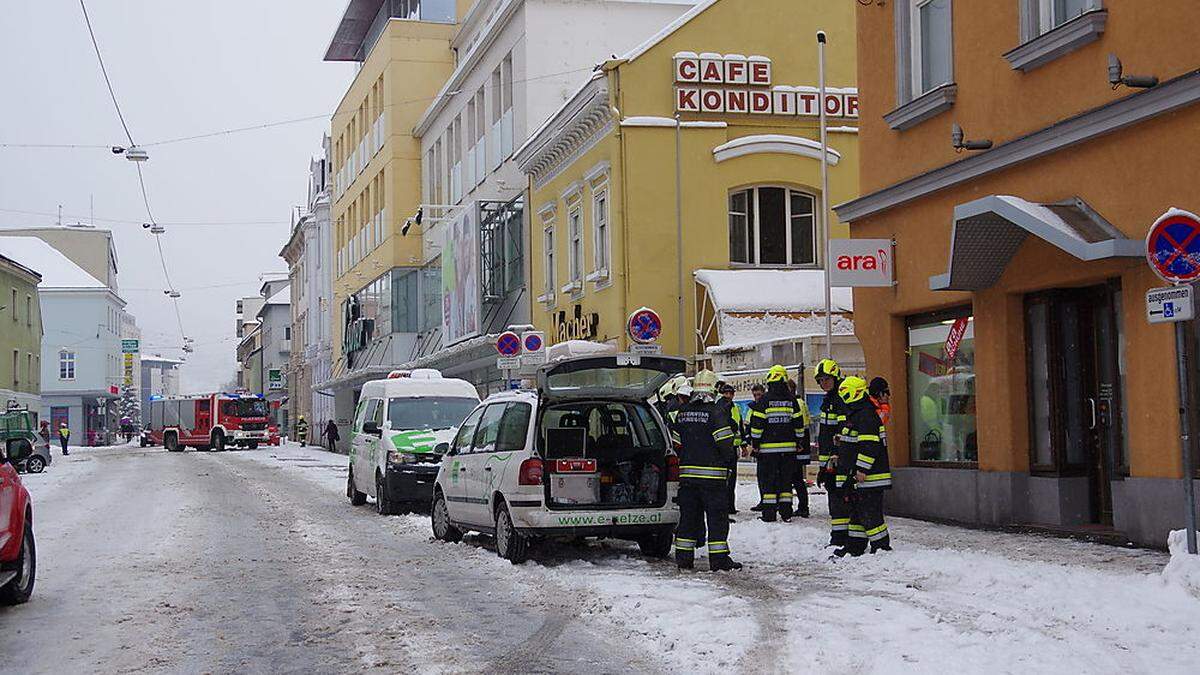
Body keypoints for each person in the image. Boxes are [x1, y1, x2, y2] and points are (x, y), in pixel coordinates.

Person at [671, 370, 741, 571]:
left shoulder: (683, 412)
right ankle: (719, 560)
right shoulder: (716, 412)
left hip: (688, 479)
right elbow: (726, 443)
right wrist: (725, 463)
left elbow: (676, 443)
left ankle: (684, 558)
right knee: (717, 519)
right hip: (712, 479)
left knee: (688, 518)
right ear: (713, 388)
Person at [833, 376, 892, 556]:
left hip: (870, 477)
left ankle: (881, 547)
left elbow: (870, 445)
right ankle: (855, 547)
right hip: (860, 476)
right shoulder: (859, 414)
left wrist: (861, 469)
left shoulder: (865, 415)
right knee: (858, 513)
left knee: (870, 514)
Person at [747, 365, 807, 523]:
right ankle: (786, 512)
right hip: (789, 451)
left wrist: (756, 443)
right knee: (786, 481)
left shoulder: (765, 400)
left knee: (769, 483)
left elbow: (757, 425)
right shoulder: (792, 400)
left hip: (768, 452)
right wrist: (799, 441)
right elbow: (799, 424)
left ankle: (769, 514)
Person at [814, 359, 849, 547]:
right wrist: (822, 466)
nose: (823, 383)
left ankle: (841, 538)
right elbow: (825, 437)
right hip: (830, 460)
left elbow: (842, 432)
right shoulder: (828, 400)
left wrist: (835, 455)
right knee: (835, 498)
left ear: (835, 377)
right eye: (820, 380)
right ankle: (838, 536)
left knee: (840, 499)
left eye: (826, 379)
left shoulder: (840, 399)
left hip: (839, 460)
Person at [787, 379, 813, 518]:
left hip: (798, 447)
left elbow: (800, 427)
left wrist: (798, 444)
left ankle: (803, 507)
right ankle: (802, 506)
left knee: (796, 479)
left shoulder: (797, 403)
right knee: (796, 479)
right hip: (799, 446)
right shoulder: (799, 402)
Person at [716, 383, 743, 517]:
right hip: (722, 448)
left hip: (733, 447)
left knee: (732, 479)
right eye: (726, 393)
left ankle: (730, 506)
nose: (728, 396)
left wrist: (743, 444)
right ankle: (723, 507)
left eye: (730, 393)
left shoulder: (736, 407)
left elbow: (740, 427)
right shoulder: (719, 406)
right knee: (723, 479)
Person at [747, 383, 768, 512]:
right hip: (758, 447)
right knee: (761, 476)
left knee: (768, 477)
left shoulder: (765, 406)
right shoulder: (752, 408)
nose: (757, 397)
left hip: (766, 446)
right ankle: (763, 500)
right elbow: (750, 425)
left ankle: (769, 502)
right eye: (755, 395)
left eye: (759, 394)